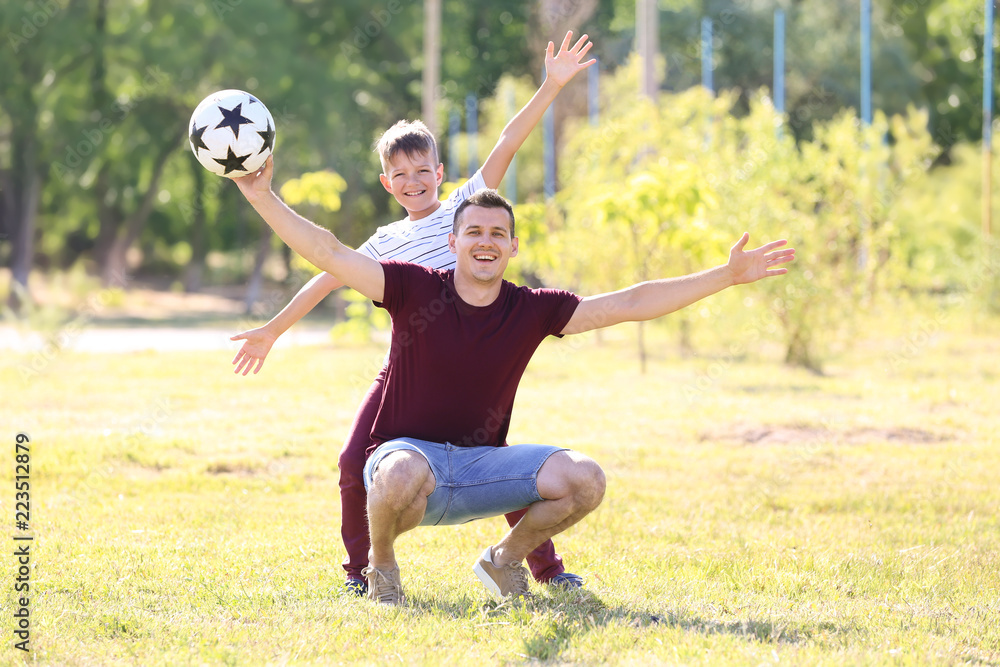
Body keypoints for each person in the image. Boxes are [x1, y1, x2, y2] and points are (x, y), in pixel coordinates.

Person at [234, 163, 795, 604]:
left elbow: (630, 302)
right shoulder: (411, 288)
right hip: (409, 462)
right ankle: (382, 567)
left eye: (498, 233)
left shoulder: (531, 309)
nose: (486, 241)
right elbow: (329, 252)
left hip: (482, 468)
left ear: (513, 247)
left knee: (585, 479)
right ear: (451, 242)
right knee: (398, 470)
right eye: (473, 231)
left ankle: (502, 563)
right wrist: (261, 195)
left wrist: (727, 275)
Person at [229, 32, 597, 596]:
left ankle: (544, 568)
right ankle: (362, 570)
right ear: (386, 182)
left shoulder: (464, 206)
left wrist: (550, 85)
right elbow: (325, 274)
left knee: (498, 462)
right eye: (399, 175)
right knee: (354, 460)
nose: (412, 182)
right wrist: (273, 330)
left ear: (440, 171)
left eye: (421, 170)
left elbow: (506, 141)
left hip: (474, 363)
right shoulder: (383, 242)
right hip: (408, 372)